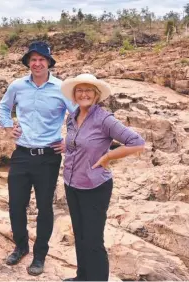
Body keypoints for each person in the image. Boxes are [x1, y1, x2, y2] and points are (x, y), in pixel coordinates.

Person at [0, 41, 77, 276]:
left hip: (48, 157)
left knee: (44, 207)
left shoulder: (62, 88)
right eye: (33, 59)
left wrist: (69, 140)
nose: (37, 63)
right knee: (16, 205)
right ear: (28, 62)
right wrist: (7, 127)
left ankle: (40, 255)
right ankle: (21, 246)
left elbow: (78, 116)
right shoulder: (17, 85)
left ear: (49, 62)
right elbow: (3, 107)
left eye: (42, 59)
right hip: (21, 154)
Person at [60, 74, 145, 281]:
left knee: (93, 239)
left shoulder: (104, 119)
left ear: (96, 95)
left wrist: (108, 156)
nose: (84, 94)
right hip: (72, 183)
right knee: (79, 234)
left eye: (88, 90)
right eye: (79, 90)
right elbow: (76, 143)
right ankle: (82, 277)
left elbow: (137, 142)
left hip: (95, 187)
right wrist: (64, 146)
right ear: (74, 95)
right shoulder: (72, 116)